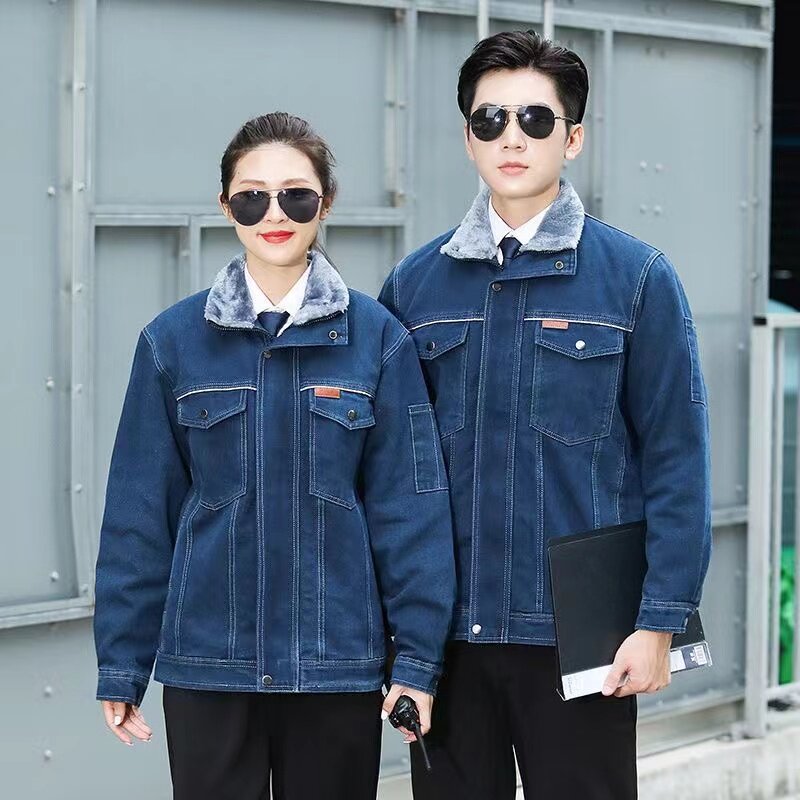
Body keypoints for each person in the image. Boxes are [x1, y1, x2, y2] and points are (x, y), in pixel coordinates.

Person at [379, 30, 712, 800]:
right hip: (447, 640)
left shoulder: (636, 279)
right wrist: (396, 639)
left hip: (585, 637)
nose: (512, 138)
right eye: (489, 119)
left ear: (574, 137)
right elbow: (391, 476)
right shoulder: (415, 288)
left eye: (535, 119)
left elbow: (677, 458)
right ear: (467, 137)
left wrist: (659, 621)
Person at [93, 111, 456, 800]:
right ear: (225, 205)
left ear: (327, 201)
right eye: (252, 197)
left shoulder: (379, 341)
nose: (275, 214)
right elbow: (139, 515)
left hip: (334, 667)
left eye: (296, 195)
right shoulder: (171, 343)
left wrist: (415, 660)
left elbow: (410, 512)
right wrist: (122, 661)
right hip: (209, 666)